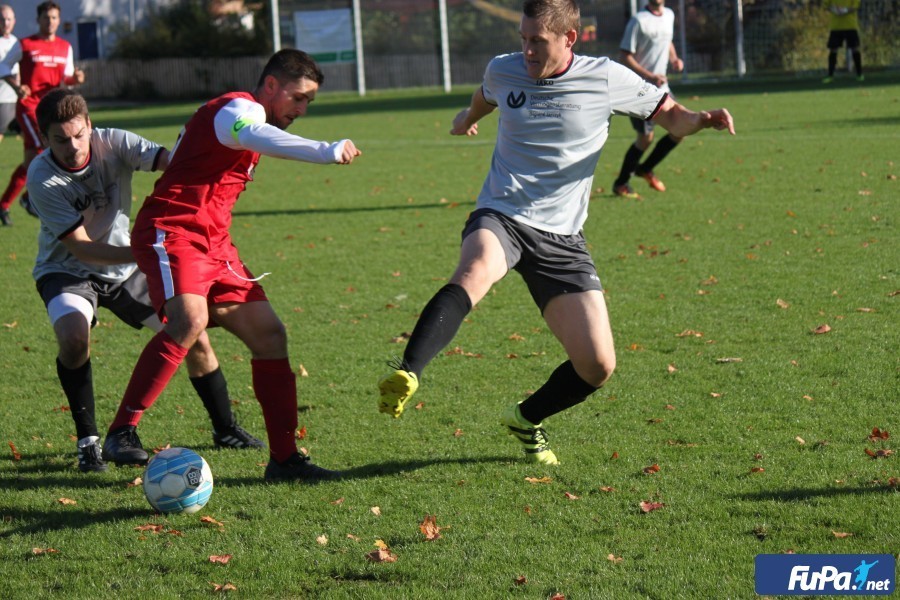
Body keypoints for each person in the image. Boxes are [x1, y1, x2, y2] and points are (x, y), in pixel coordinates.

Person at [377, 0, 733, 465]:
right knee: (475, 271)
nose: (526, 50)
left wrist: (703, 121)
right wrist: (466, 120)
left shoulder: (606, 77)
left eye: (537, 42)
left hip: (562, 238)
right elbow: (484, 96)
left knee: (598, 365)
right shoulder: (505, 69)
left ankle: (526, 417)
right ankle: (408, 372)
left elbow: (673, 117)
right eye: (522, 39)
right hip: (502, 213)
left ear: (571, 38)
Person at [101, 49, 361, 482]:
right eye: (298, 98)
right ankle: (122, 431)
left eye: (308, 103)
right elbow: (254, 135)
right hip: (172, 228)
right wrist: (324, 150)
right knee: (190, 319)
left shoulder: (250, 119)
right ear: (272, 85)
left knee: (270, 335)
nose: (301, 109)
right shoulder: (235, 110)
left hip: (215, 242)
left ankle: (284, 460)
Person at [27, 89, 264, 472]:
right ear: (44, 139)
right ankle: (88, 441)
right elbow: (83, 249)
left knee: (193, 333)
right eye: (60, 140)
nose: (72, 147)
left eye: (78, 134)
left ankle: (226, 429)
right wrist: (147, 250)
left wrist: (218, 160)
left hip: (125, 269)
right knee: (73, 340)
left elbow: (174, 165)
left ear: (90, 125)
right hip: (67, 270)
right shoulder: (42, 177)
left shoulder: (114, 141)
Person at [0, 1, 84, 225]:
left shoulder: (65, 46)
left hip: (52, 109)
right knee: (46, 147)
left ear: (59, 19)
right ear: (38, 20)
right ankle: (37, 199)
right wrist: (17, 87)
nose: (50, 22)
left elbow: (66, 77)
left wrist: (75, 79)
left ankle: (4, 204)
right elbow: (3, 67)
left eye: (54, 17)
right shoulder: (25, 44)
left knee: (30, 161)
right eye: (46, 18)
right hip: (29, 107)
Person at [612, 0, 684, 199]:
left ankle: (645, 168)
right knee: (645, 139)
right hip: (640, 90)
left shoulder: (669, 15)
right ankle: (621, 183)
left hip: (663, 89)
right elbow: (625, 56)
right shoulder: (638, 21)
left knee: (681, 130)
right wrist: (650, 76)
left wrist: (674, 58)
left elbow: (667, 40)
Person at [0, 4, 17, 225]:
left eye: (9, 19)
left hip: (19, 102)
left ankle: (11, 202)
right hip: (2, 101)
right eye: (2, 19)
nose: (5, 22)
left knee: (40, 147)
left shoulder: (17, 42)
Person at [822, 0, 863, 84]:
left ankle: (859, 74)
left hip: (850, 25)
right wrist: (835, 10)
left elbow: (855, 6)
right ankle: (830, 75)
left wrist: (844, 10)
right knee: (833, 50)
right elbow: (826, 5)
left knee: (855, 49)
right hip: (836, 26)